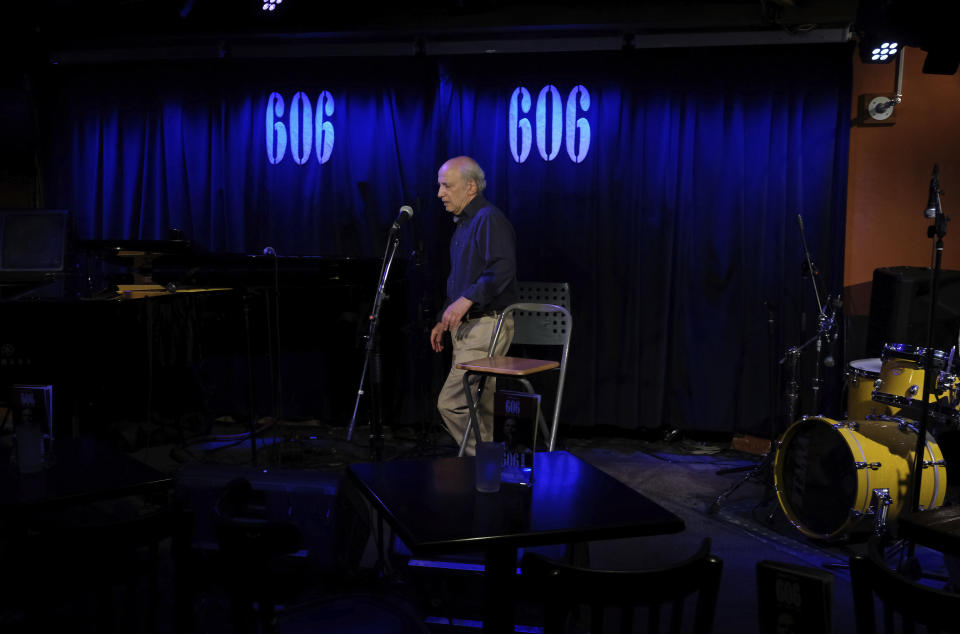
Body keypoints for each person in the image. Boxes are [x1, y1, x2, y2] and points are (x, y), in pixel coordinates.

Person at [431, 156, 517, 456]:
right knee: (481, 405)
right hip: (471, 325)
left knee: (452, 402)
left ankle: (484, 462)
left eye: (446, 186)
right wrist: (446, 316)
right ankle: (488, 475)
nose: (440, 193)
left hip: (486, 324)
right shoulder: (465, 225)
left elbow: (502, 267)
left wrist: (467, 301)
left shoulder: (488, 218)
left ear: (470, 187)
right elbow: (461, 279)